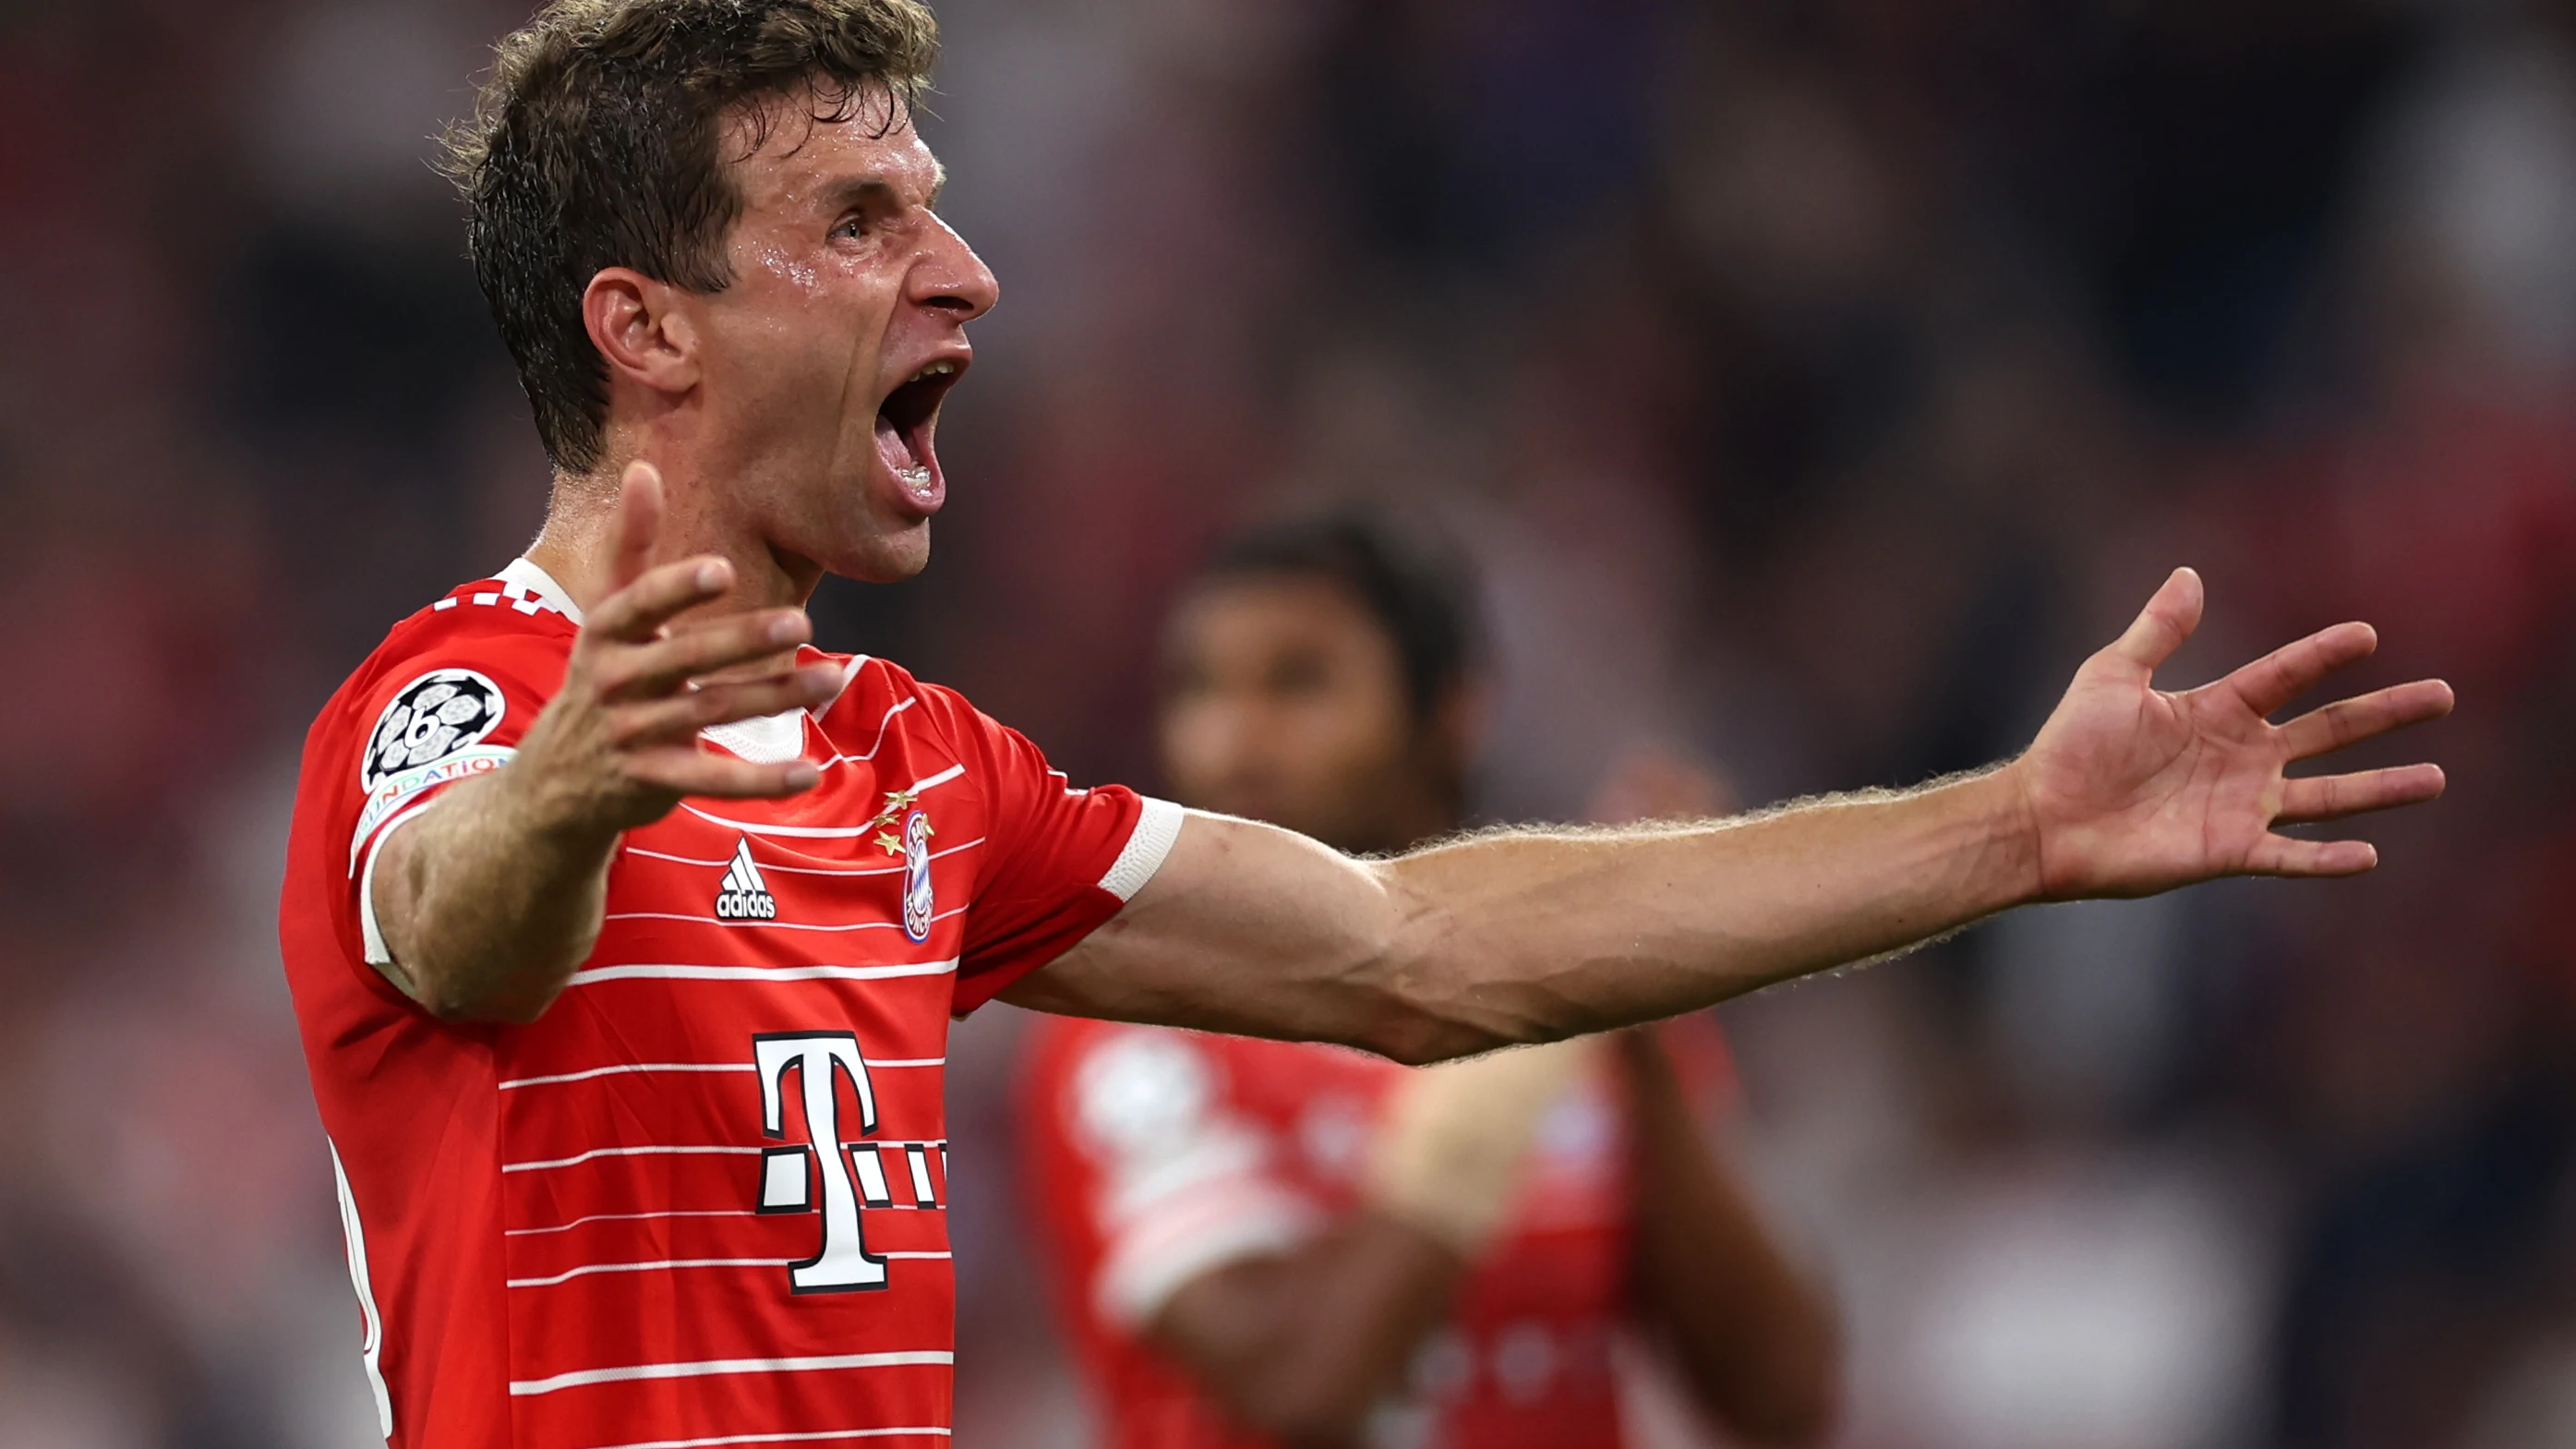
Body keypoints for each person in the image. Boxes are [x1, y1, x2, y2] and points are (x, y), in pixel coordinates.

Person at [273, 4, 2451, 1447]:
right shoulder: (453, 698)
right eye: (861, 221)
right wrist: (570, 789)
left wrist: (2010, 832)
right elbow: (451, 925)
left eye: (937, 202)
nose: (968, 274)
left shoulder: (918, 770)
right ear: (643, 328)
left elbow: (1422, 951)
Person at [1018, 513, 1839, 1448]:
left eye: (1299, 683)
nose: (1231, 741)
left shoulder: (1586, 994)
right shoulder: (1136, 1018)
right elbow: (1299, 1387)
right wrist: (1526, 1048)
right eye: (1198, 690)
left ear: (1452, 712)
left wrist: (1638, 1027)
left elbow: (1785, 1401)